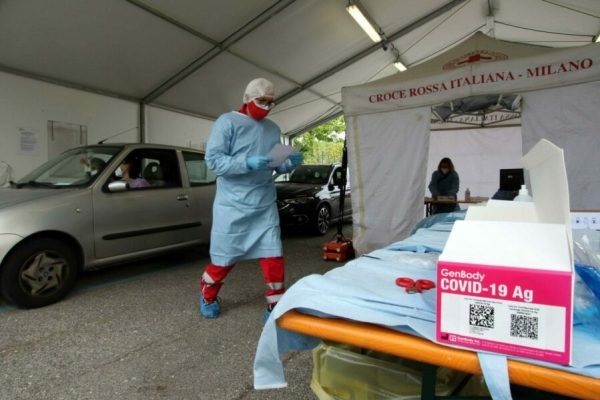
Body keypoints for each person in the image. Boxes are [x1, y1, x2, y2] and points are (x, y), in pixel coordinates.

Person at [199, 78, 303, 320]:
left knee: (273, 255)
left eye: (270, 102)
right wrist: (245, 162)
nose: (266, 106)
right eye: (261, 101)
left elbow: (275, 163)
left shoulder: (272, 128)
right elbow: (214, 161)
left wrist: (287, 164)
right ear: (247, 99)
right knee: (224, 257)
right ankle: (207, 294)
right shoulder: (227, 123)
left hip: (264, 201)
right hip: (232, 203)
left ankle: (274, 304)